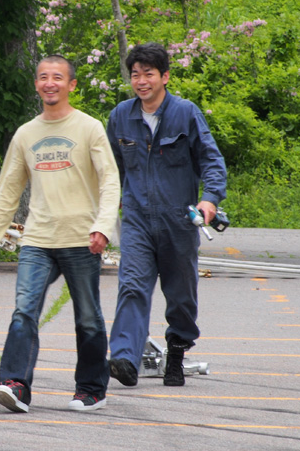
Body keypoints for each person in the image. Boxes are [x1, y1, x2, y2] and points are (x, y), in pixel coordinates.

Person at [0, 55, 121, 412]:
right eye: (43, 77)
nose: (50, 83)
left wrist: (103, 227)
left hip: (81, 239)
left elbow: (110, 181)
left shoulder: (89, 127)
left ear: (71, 85)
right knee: (24, 311)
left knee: (88, 318)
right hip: (37, 240)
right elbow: (6, 194)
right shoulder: (26, 134)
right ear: (36, 85)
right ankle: (16, 385)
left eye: (58, 77)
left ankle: (91, 389)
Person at [106, 42, 227, 387]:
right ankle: (125, 358)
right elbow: (109, 166)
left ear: (165, 77)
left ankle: (176, 351)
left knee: (181, 295)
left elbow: (211, 160)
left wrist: (210, 200)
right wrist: (111, 198)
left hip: (178, 219)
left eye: (148, 74)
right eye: (135, 74)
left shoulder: (186, 113)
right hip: (137, 220)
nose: (141, 81)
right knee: (132, 286)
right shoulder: (120, 116)